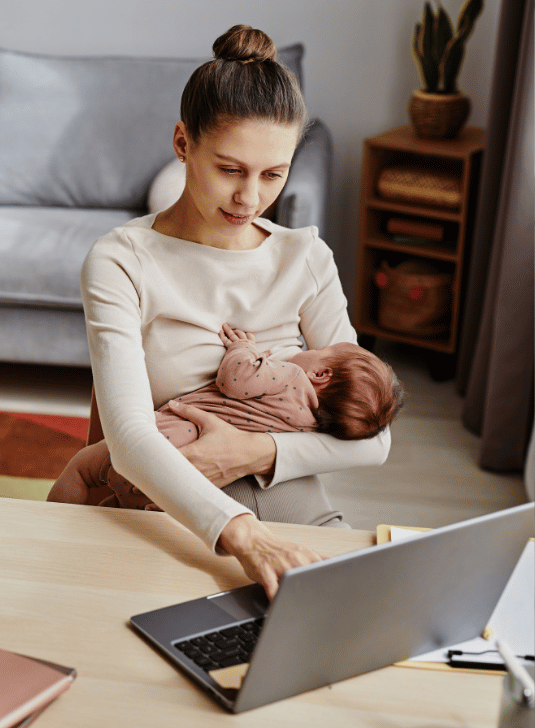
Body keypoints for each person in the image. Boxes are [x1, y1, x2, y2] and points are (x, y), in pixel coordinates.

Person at [47, 24, 391, 599]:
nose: (250, 198)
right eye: (230, 170)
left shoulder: (304, 258)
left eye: (273, 174)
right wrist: (242, 535)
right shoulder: (122, 260)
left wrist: (255, 452)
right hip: (174, 523)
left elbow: (375, 440)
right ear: (183, 143)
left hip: (294, 512)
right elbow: (130, 438)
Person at [52, 323, 404, 511]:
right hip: (182, 488)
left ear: (321, 375)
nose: (305, 350)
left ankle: (47, 529)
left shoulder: (292, 377)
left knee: (83, 468)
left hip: (168, 441)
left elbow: (235, 380)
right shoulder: (307, 425)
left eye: (317, 351)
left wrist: (243, 349)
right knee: (120, 506)